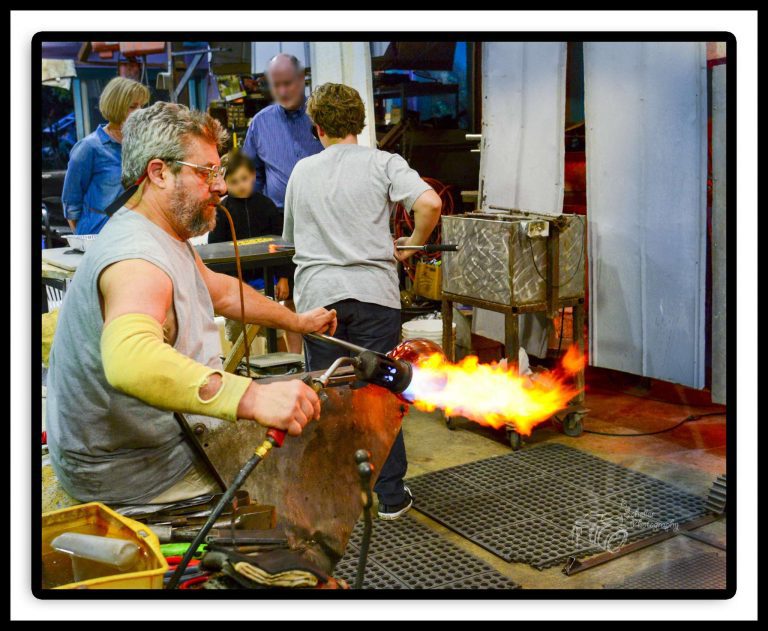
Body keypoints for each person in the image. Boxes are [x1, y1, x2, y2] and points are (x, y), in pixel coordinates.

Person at [46, 102, 337, 505]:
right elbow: (130, 357)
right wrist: (253, 397)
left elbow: (216, 290)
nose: (220, 186)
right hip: (131, 471)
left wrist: (296, 320)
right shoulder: (136, 258)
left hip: (151, 445)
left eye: (218, 172)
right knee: (305, 484)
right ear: (159, 172)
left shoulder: (162, 232)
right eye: (206, 173)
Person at [283, 83, 442, 520]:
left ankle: (337, 498)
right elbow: (429, 202)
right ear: (362, 122)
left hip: (320, 301)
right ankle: (390, 495)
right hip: (375, 296)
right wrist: (411, 243)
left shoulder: (302, 171)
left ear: (317, 127)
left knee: (330, 395)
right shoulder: (384, 163)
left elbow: (293, 238)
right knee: (379, 393)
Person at [208, 150, 297, 352]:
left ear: (253, 176)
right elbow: (215, 252)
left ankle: (284, 369)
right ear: (224, 183)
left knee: (276, 332)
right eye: (234, 181)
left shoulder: (267, 206)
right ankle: (239, 374)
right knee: (239, 341)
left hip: (267, 286)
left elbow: (281, 244)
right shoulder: (221, 212)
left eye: (244, 179)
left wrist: (283, 277)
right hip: (235, 288)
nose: (241, 185)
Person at [61, 76, 149, 235]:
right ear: (116, 107)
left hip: (135, 233)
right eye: (133, 106)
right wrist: (84, 241)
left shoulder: (141, 145)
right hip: (98, 234)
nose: (139, 112)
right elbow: (71, 201)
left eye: (141, 106)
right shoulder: (89, 147)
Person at [242, 53, 323, 214]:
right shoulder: (260, 123)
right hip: (277, 218)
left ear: (301, 79)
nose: (282, 91)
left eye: (287, 83)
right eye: (276, 85)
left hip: (321, 214)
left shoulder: (322, 116)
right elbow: (251, 174)